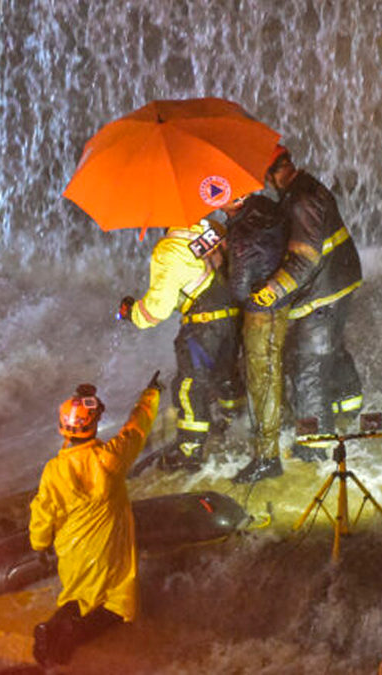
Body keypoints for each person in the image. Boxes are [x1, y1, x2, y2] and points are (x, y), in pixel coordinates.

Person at [28, 374, 162, 667]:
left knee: (76, 597)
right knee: (117, 605)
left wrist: (39, 544)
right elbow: (136, 428)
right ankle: (72, 632)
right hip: (106, 547)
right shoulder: (109, 458)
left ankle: (52, 631)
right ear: (95, 425)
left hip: (71, 549)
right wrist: (150, 394)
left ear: (62, 427)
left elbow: (43, 511)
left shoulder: (54, 470)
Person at [252, 146, 365, 460]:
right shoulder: (305, 188)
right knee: (329, 346)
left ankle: (314, 445)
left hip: (324, 289)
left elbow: (304, 259)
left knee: (308, 365)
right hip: (336, 281)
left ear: (273, 173)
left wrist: (272, 290)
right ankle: (347, 405)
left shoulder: (301, 200)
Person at [119, 218, 243, 472]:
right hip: (232, 317)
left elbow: (157, 309)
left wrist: (132, 313)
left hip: (202, 328)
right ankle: (235, 423)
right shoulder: (214, 228)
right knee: (225, 374)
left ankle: (190, 450)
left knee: (189, 386)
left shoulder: (169, 248)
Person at [223, 193, 291, 484]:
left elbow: (239, 290)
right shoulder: (265, 209)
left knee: (262, 380)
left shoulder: (243, 232)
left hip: (261, 313)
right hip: (278, 305)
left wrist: (222, 259)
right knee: (271, 375)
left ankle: (267, 459)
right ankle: (275, 436)